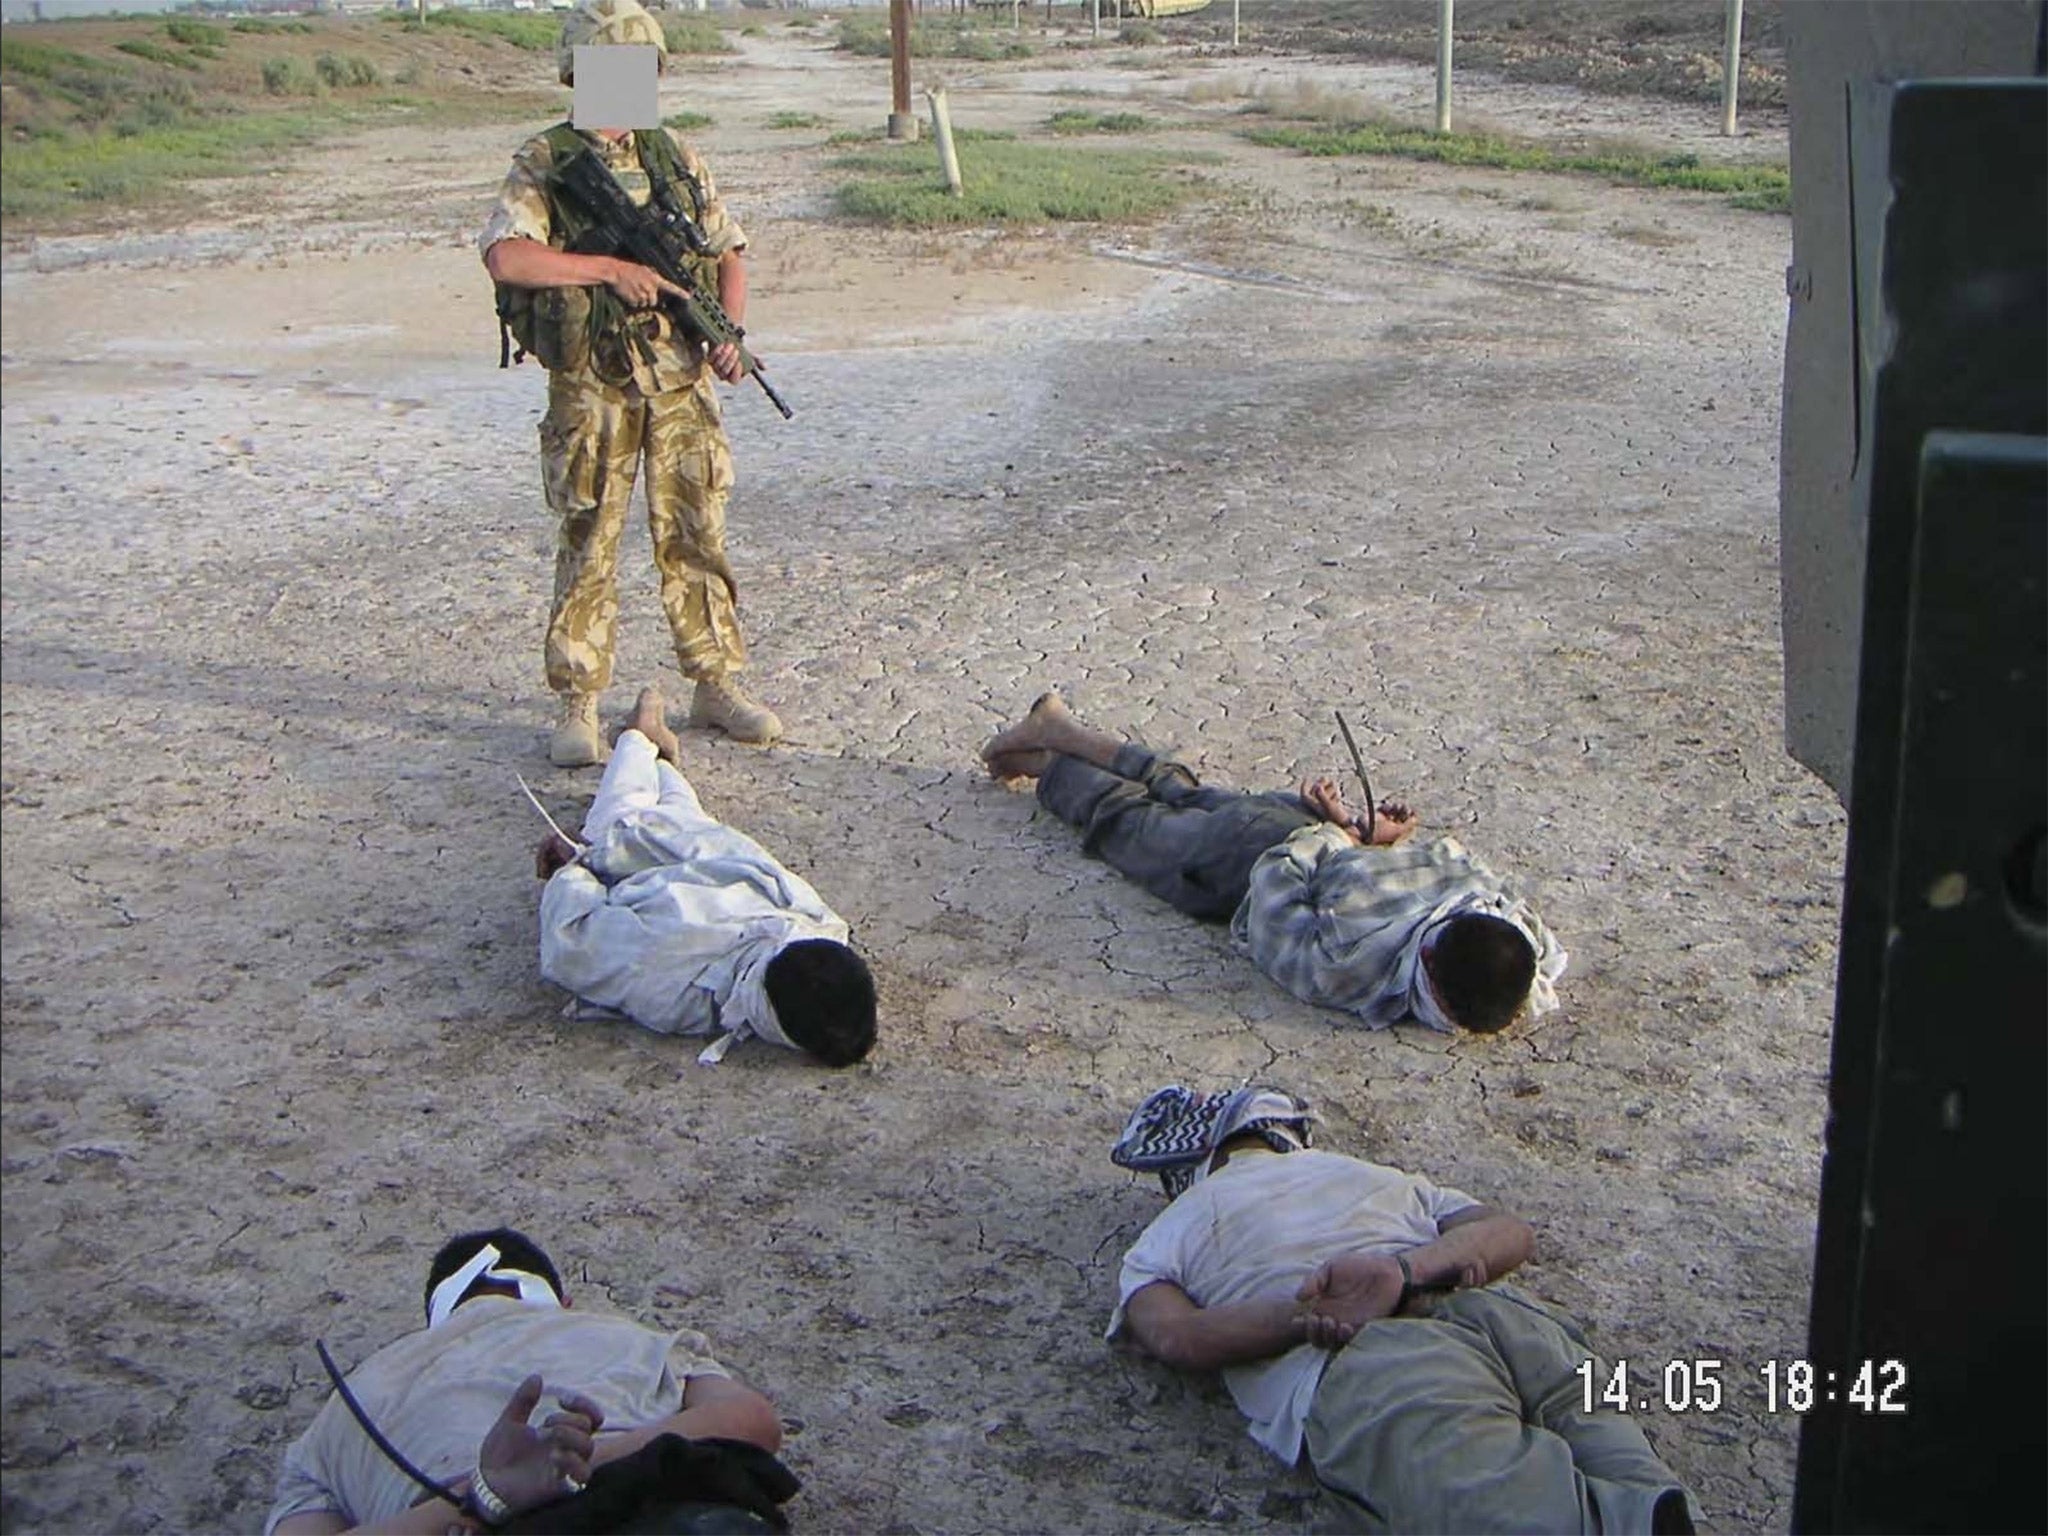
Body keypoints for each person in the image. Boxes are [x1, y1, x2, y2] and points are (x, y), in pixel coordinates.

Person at [1107, 1085, 1700, 1535]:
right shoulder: (1368, 1174)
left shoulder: (1171, 1230)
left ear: (1189, 1168)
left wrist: (1314, 1315)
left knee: (1506, 1508)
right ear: (1287, 1136)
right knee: (1616, 1448)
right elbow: (1507, 1232)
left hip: (1376, 1362)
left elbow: (1176, 1337)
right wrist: (1407, 1270)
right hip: (1503, 1314)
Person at [481, 0, 782, 765]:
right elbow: (508, 256)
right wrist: (608, 269)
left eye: (637, 71)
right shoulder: (548, 160)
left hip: (681, 384)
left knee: (697, 535)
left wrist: (727, 335)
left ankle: (715, 684)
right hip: (595, 387)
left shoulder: (673, 155)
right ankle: (579, 703)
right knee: (589, 539)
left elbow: (729, 250)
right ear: (579, 73)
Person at [982, 692, 1566, 1033]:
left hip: (1293, 823)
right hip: (1254, 855)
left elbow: (1444, 858)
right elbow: (1271, 889)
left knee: (1183, 789)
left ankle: (1061, 728)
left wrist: (1370, 838)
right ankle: (1043, 760)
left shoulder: (1498, 913)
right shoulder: (1358, 966)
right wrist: (1341, 836)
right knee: (1124, 821)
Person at [266, 1227, 792, 1535]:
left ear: (434, 1323)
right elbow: (753, 1422)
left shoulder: (351, 1400)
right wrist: (586, 1464)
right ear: (562, 1303)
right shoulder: (618, 1333)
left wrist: (478, 1498)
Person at [536, 685, 876, 1067]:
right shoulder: (673, 986)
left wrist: (575, 869)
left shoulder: (823, 925)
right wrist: (577, 863)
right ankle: (641, 739)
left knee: (658, 802)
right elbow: (573, 941)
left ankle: (649, 747)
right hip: (651, 843)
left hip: (694, 835)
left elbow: (750, 861)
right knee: (623, 814)